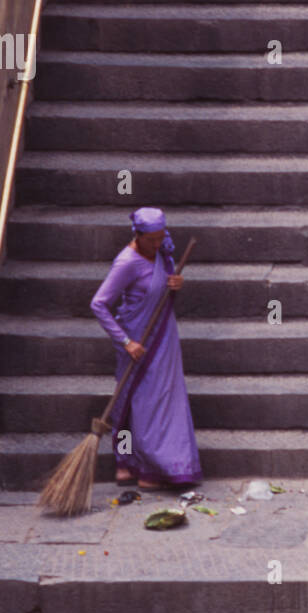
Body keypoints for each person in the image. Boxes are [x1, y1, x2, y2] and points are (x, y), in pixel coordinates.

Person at [89, 207, 202, 490]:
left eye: (160, 238)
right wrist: (126, 342)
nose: (157, 244)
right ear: (137, 235)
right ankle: (128, 462)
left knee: (163, 398)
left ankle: (155, 466)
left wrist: (175, 284)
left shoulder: (163, 248)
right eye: (151, 240)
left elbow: (164, 284)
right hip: (135, 338)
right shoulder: (126, 262)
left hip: (162, 333)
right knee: (133, 400)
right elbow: (98, 304)